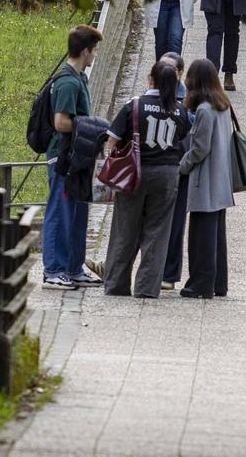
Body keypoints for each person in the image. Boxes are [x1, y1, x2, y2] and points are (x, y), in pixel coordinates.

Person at [100, 61, 192, 298]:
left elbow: (111, 141)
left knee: (124, 230)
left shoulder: (135, 105)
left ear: (150, 79)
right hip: (167, 175)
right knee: (158, 232)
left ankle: (117, 284)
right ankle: (147, 288)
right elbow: (182, 138)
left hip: (135, 173)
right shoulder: (180, 110)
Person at [42, 25, 106, 290]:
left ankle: (73, 266)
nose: (95, 56)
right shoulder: (68, 82)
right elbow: (60, 122)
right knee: (60, 211)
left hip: (79, 156)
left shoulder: (80, 79)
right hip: (63, 157)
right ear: (84, 51)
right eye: (94, 51)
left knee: (79, 212)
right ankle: (54, 269)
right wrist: (90, 126)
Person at [178, 59, 236, 299]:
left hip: (206, 180)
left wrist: (181, 166)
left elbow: (199, 148)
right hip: (222, 178)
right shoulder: (222, 105)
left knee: (202, 234)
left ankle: (200, 283)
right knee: (217, 235)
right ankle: (218, 282)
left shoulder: (204, 110)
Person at [159, 52, 191, 291]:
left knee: (175, 222)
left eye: (169, 68)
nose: (163, 72)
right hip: (154, 167)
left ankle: (169, 274)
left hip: (176, 169)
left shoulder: (186, 103)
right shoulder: (150, 97)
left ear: (180, 74)